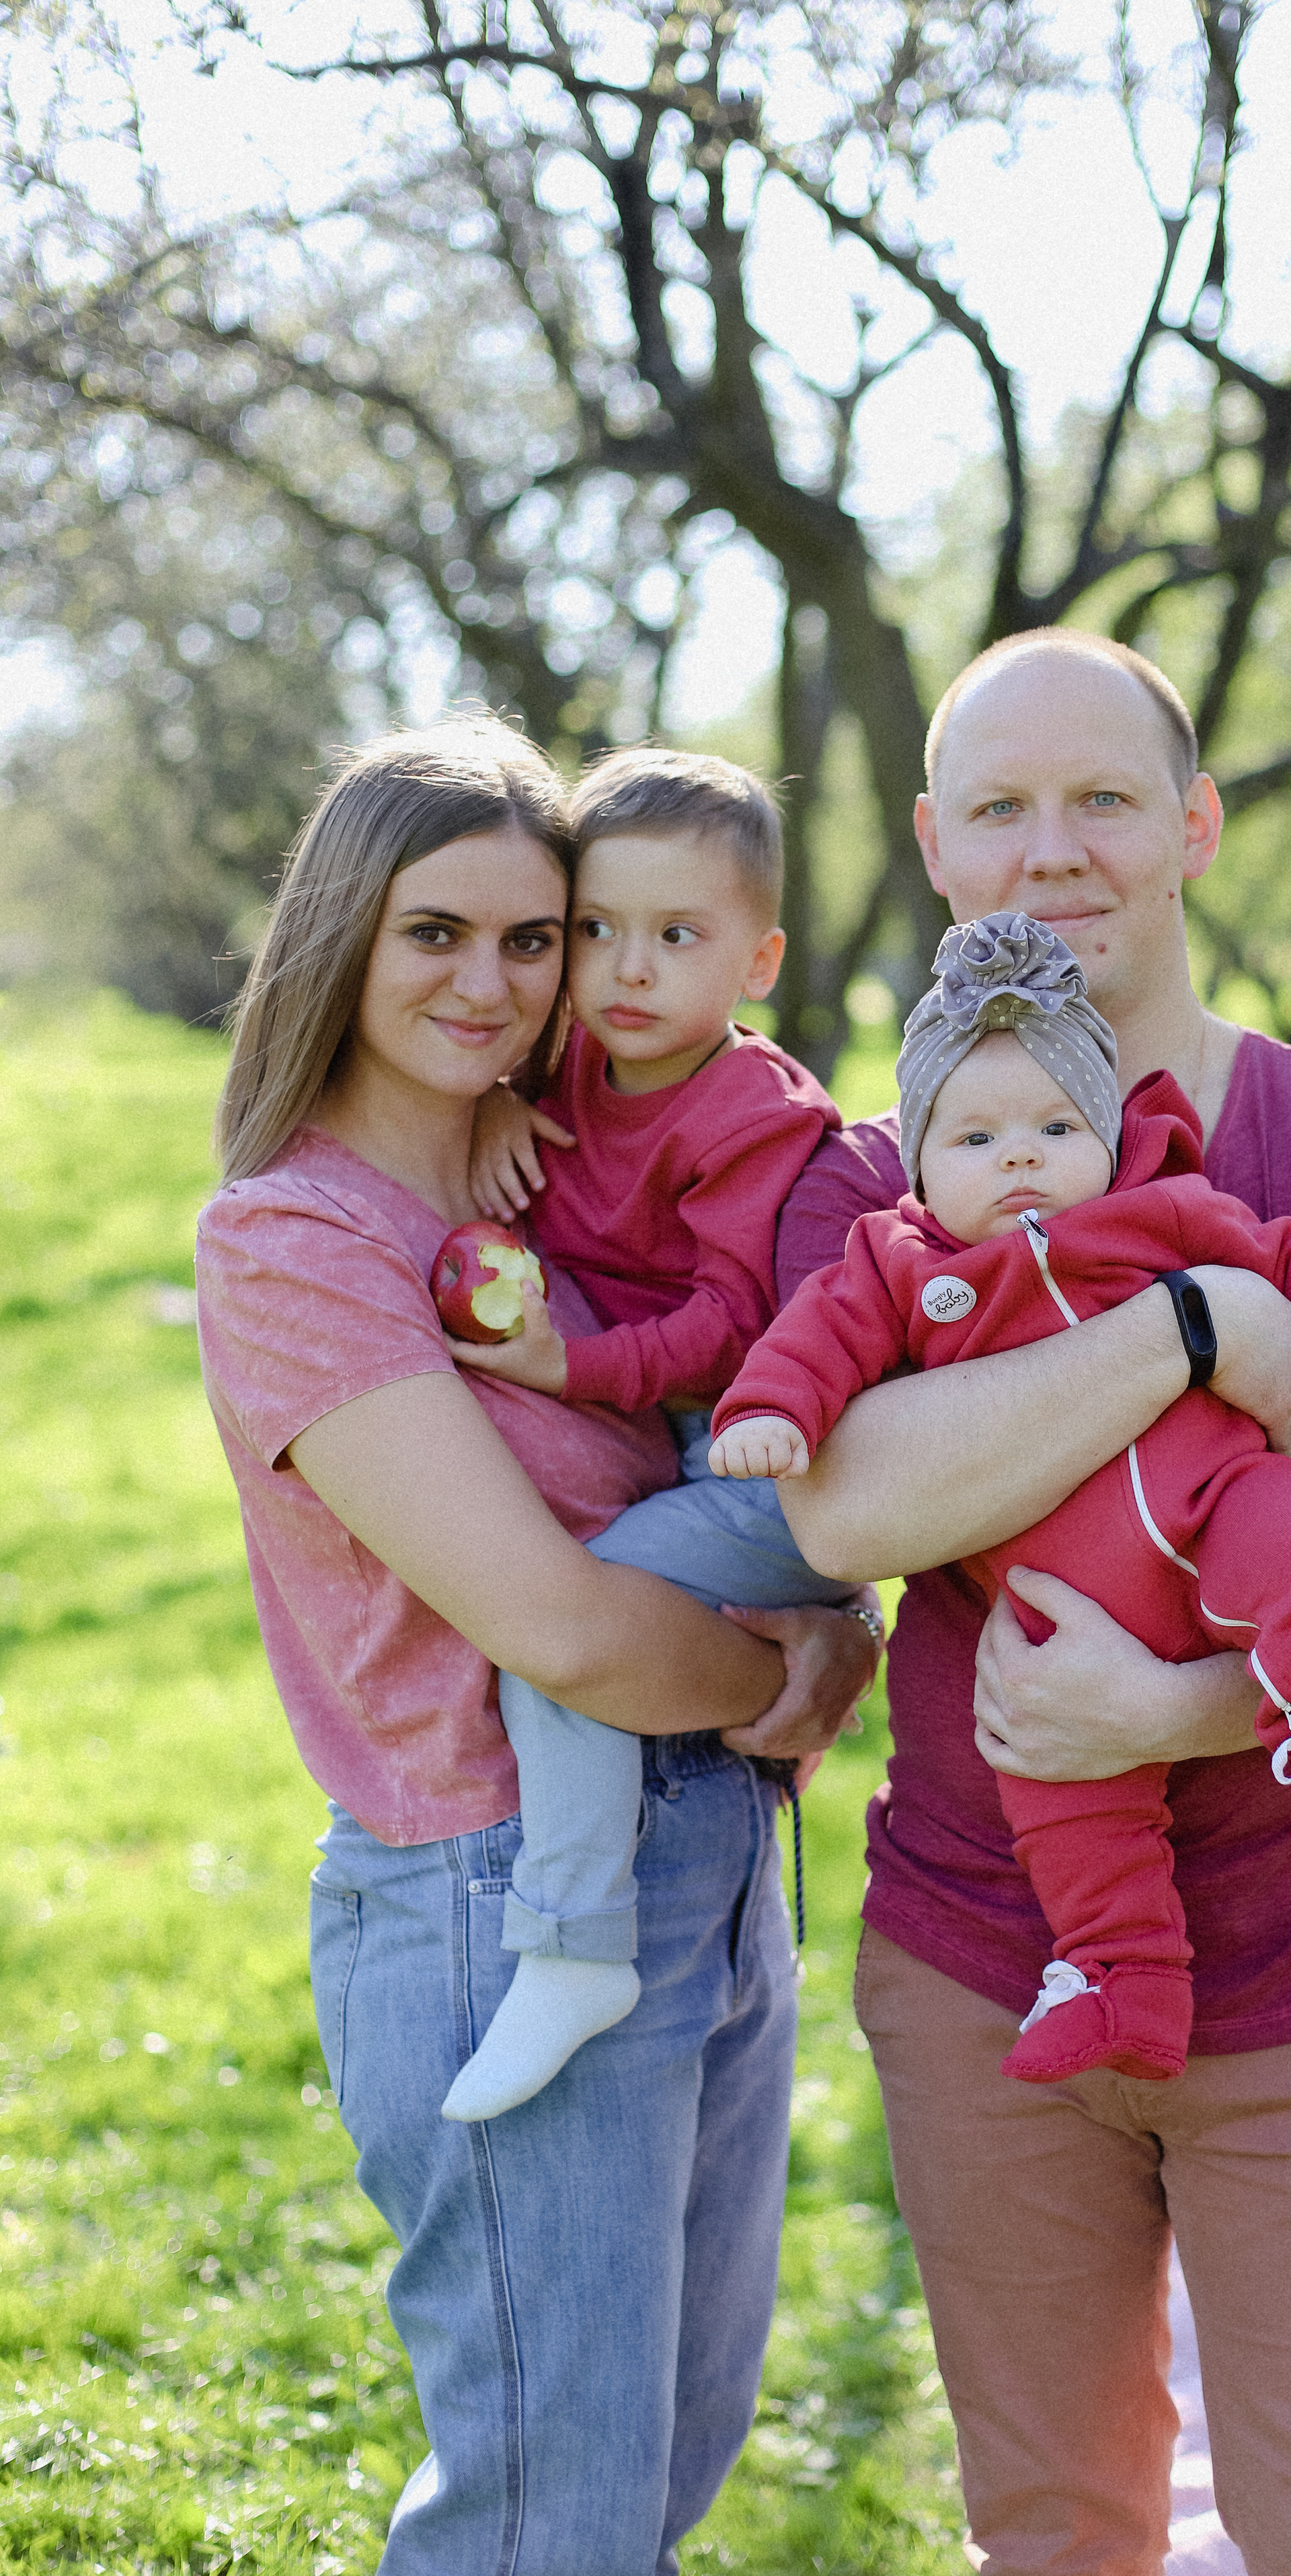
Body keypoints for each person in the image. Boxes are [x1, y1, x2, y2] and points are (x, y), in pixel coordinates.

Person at [773, 632, 1291, 2575]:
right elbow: (843, 1510)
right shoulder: (879, 1181)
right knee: (1054, 2532)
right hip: (983, 1971)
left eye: (1103, 799)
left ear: (1192, 825)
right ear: (935, 845)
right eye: (1001, 809)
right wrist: (1183, 1323)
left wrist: (1178, 1714)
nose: (1053, 851)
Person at [194, 717, 875, 2574]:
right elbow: (561, 1625)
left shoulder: (570, 1179)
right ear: (342, 936)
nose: (491, 984)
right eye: (436, 933)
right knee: (545, 2527)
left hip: (713, 1862)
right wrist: (797, 1676)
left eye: (534, 937)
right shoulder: (297, 1241)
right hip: (497, 1896)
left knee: (660, 2477)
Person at [708, 906, 1291, 2084]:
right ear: (918, 1162)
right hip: (1060, 1610)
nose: (1020, 1157)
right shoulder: (898, 1265)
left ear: (1109, 1135)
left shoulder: (1168, 1211)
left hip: (1222, 1509)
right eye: (976, 1137)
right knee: (1060, 1790)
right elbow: (814, 1344)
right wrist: (770, 1413)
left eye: (1057, 1127)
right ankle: (1121, 1979)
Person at [430, 748, 862, 2124]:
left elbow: (732, 1328)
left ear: (758, 960)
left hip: (763, 1460)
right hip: (680, 1448)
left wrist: (570, 1367)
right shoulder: (566, 1062)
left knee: (576, 1625)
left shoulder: (753, 1114)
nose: (627, 970)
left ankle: (574, 1947)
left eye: (678, 936)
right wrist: (501, 1103)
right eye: (597, 930)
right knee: (583, 1617)